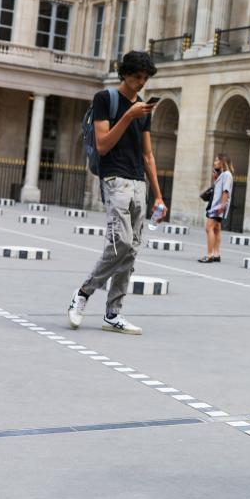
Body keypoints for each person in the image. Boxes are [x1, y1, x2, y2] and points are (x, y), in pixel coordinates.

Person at [66, 51, 164, 335]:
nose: (140, 83)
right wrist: (128, 115)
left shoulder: (143, 109)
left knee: (131, 251)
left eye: (145, 79)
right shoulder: (104, 99)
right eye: (136, 77)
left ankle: (113, 313)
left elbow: (148, 155)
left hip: (138, 184)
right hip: (115, 180)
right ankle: (83, 293)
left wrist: (158, 194)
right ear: (124, 74)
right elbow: (103, 145)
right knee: (119, 242)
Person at [198, 153, 234, 263]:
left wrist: (222, 206)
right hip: (217, 205)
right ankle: (216, 254)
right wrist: (215, 178)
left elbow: (225, 191)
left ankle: (209, 255)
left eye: (217, 160)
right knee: (217, 229)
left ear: (222, 162)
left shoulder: (227, 174)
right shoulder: (223, 175)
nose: (214, 162)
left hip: (218, 206)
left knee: (209, 228)